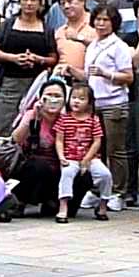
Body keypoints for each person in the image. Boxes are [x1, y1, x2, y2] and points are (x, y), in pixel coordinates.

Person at [81, 5, 134, 211]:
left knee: (115, 150)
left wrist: (107, 74)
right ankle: (98, 190)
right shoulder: (93, 45)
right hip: (94, 105)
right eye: (98, 19)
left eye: (106, 20)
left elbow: (128, 77)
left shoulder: (118, 46)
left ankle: (119, 192)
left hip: (114, 104)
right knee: (96, 150)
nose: (101, 23)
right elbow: (87, 75)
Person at [0, 0, 56, 133]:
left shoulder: (46, 29)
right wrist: (13, 58)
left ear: (40, 3)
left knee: (32, 127)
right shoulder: (8, 24)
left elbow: (53, 58)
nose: (29, 4)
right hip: (9, 83)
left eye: (33, 0)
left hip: (36, 84)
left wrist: (38, 59)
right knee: (0, 126)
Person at [55, 82, 112, 223]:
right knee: (67, 173)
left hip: (90, 158)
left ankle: (103, 205)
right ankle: (63, 206)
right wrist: (61, 157)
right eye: (74, 97)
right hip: (70, 157)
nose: (76, 101)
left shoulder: (93, 120)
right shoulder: (64, 119)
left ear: (89, 102)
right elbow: (59, 140)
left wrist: (87, 159)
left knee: (105, 175)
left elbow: (97, 141)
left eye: (81, 98)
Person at [9, 78, 67, 215]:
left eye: (57, 96)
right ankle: (21, 201)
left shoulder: (68, 119)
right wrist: (34, 115)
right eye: (49, 95)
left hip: (58, 168)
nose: (53, 100)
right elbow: (15, 139)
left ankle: (55, 202)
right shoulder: (31, 115)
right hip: (31, 166)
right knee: (39, 165)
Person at [53, 0, 97, 83]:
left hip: (92, 82)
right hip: (64, 81)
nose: (66, 6)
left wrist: (79, 38)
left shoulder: (97, 24)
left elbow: (106, 46)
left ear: (82, 1)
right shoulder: (60, 32)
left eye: (70, 1)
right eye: (62, 4)